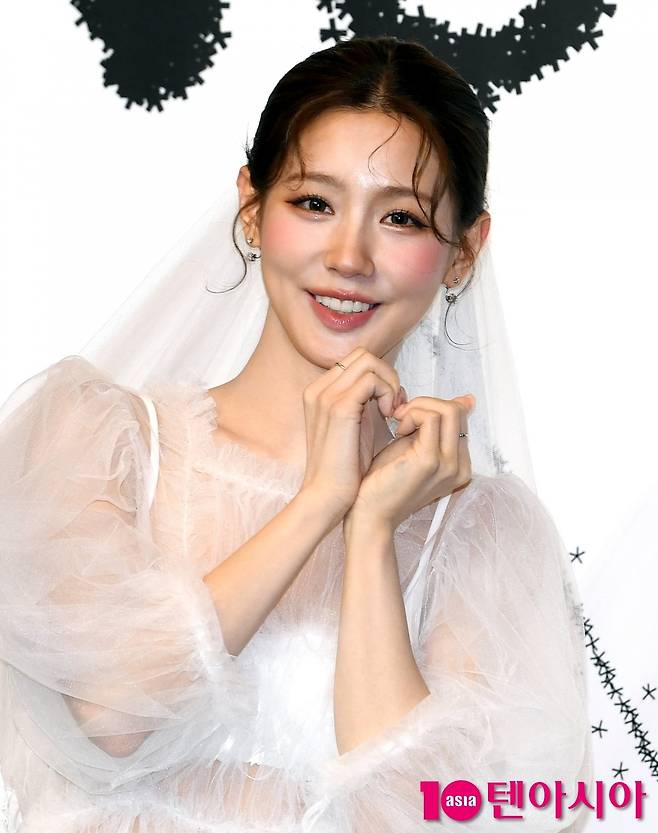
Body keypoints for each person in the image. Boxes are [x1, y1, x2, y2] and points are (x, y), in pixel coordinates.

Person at [0, 36, 591, 833]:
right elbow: (106, 721)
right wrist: (319, 501)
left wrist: (371, 529)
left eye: (400, 217)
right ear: (252, 205)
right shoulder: (107, 443)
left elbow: (438, 821)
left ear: (464, 251)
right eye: (314, 203)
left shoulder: (482, 535)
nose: (348, 256)